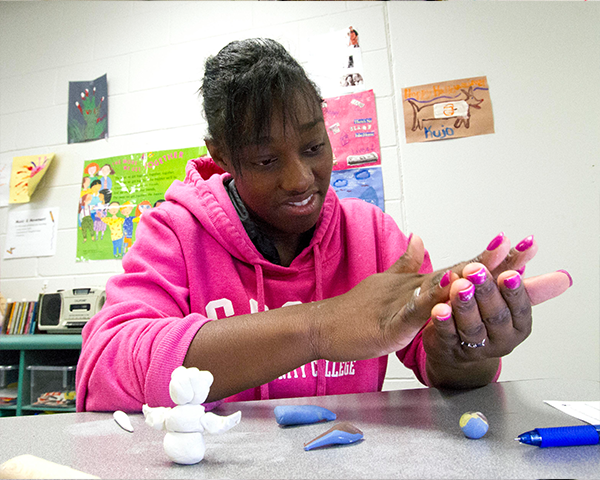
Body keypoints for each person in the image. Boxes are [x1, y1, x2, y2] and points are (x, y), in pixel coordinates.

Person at [75, 38, 572, 413]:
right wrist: (318, 327)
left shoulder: (370, 235)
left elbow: (438, 361)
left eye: (314, 147)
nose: (300, 179)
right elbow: (103, 369)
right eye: (267, 159)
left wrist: (470, 347)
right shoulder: (176, 232)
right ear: (221, 155)